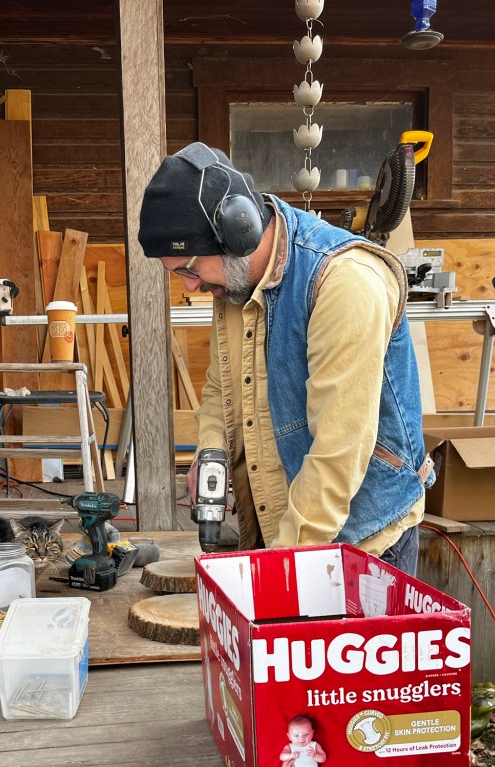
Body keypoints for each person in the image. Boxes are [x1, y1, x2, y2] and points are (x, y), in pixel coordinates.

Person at [138, 142, 435, 576]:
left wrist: (277, 572)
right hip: (287, 533)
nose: (189, 287)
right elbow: (222, 385)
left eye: (188, 269)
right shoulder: (234, 283)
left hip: (363, 543)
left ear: (238, 233)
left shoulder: (344, 281)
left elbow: (339, 451)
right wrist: (212, 452)